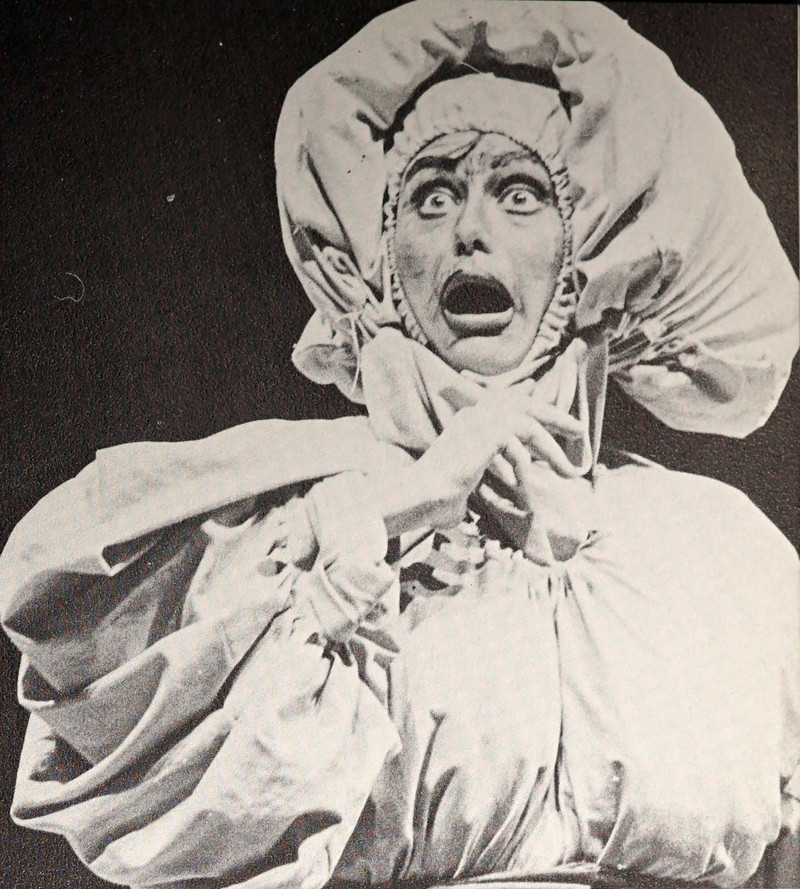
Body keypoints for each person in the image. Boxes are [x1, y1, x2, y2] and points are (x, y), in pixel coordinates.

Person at [1, 2, 797, 888]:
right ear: (382, 263)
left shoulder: (718, 550)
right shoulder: (305, 524)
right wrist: (402, 503)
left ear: (584, 257)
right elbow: (67, 616)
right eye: (432, 197)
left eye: (520, 194)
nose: (469, 229)